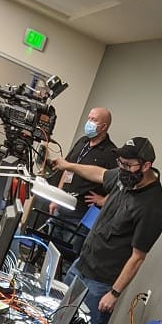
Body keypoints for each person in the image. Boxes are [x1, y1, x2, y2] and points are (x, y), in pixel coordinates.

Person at [52, 136, 162, 324]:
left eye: (128, 165)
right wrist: (68, 165)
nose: (122, 168)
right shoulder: (124, 178)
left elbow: (137, 257)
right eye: (120, 163)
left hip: (101, 283)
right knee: (58, 319)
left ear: (146, 165)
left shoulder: (153, 207)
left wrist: (114, 293)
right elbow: (100, 173)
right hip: (82, 264)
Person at [48, 107, 117, 258]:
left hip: (80, 215)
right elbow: (66, 168)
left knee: (67, 256)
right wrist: (57, 197)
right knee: (49, 252)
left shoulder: (111, 153)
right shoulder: (82, 142)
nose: (89, 122)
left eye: (94, 120)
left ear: (104, 126)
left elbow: (118, 185)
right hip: (61, 208)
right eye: (89, 118)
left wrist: (104, 200)